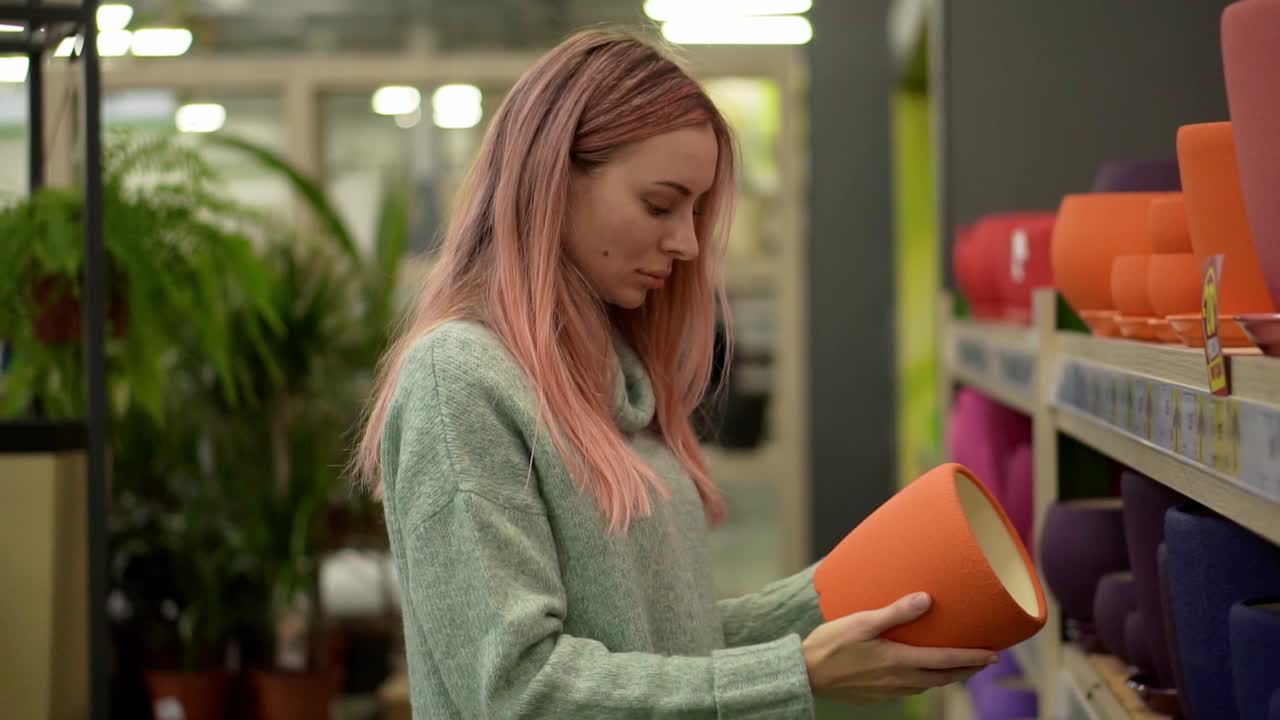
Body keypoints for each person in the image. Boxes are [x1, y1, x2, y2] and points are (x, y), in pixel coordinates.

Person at [354, 29, 996, 719]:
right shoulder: (458, 381)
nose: (687, 243)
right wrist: (797, 672)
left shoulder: (615, 381)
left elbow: (662, 644)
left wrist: (843, 598)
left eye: (695, 212)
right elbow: (518, 690)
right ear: (553, 180)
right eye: (661, 205)